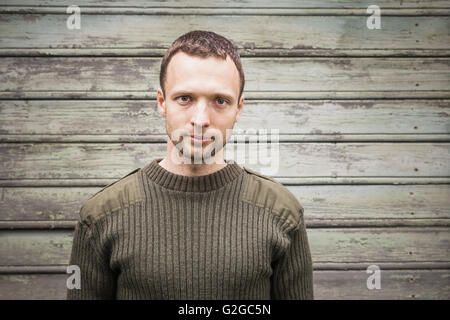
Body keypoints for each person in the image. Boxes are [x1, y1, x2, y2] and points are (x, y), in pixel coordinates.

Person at [66, 30, 313, 300]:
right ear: (162, 102)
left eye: (220, 101)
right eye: (185, 98)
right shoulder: (101, 216)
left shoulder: (282, 212)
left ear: (238, 108)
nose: (200, 118)